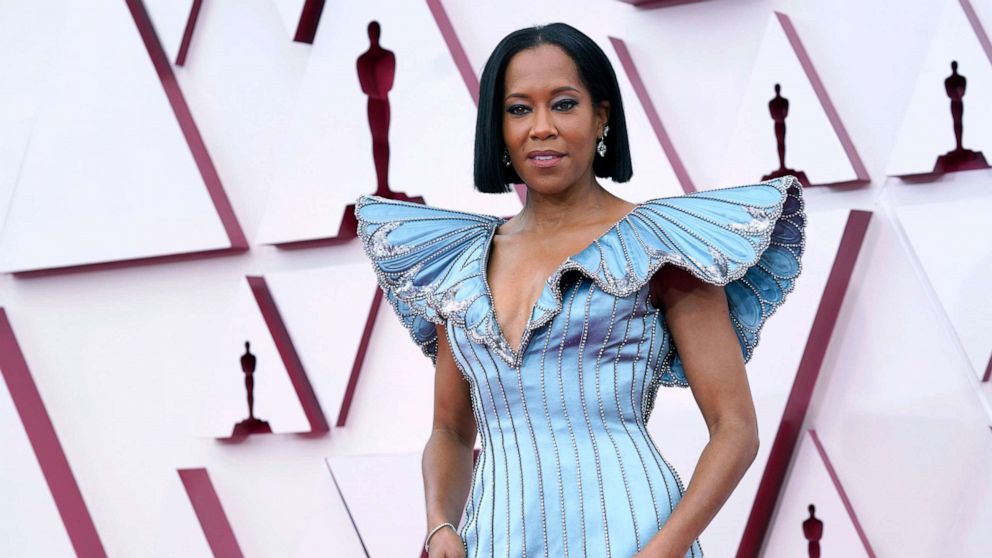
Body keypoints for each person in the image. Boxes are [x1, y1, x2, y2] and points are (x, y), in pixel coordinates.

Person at [354, 22, 806, 558]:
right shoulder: (456, 259)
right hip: (498, 539)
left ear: (602, 117)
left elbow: (735, 429)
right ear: (496, 127)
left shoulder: (662, 243)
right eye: (519, 109)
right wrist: (440, 526)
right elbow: (451, 431)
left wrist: (660, 554)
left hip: (632, 534)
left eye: (564, 104)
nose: (540, 128)